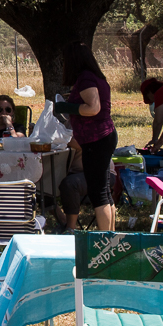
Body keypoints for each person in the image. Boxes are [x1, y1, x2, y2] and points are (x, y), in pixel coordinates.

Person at [54, 41, 117, 231]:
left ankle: (105, 239)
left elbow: (93, 108)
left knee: (98, 194)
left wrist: (67, 107)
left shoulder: (86, 79)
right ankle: (112, 236)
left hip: (96, 140)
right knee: (104, 191)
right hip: (103, 137)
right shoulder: (95, 77)